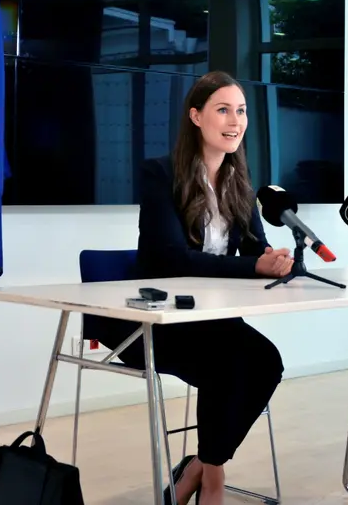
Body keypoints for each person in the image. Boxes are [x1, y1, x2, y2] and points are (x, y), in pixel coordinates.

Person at [88, 71, 290, 505]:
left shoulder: (240, 184)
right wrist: (253, 265)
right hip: (154, 324)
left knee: (266, 363)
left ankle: (199, 465)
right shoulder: (160, 174)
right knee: (228, 367)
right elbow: (170, 260)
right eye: (223, 109)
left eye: (241, 111)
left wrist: (274, 261)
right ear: (196, 116)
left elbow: (257, 251)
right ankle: (212, 480)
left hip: (211, 321)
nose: (234, 120)